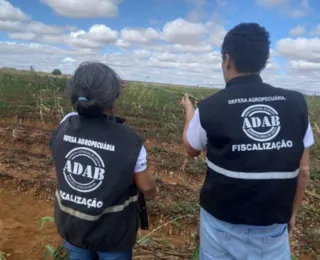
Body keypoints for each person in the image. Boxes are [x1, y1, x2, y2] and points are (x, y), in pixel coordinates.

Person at [180, 23, 314, 260]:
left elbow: (191, 148)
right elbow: (303, 171)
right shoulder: (296, 104)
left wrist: (189, 111)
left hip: (220, 224)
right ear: (264, 60)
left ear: (227, 58)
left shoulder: (211, 106)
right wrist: (292, 214)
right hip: (273, 228)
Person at [49, 62, 157, 260]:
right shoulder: (130, 141)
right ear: (113, 97)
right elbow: (147, 189)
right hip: (112, 235)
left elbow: (78, 110)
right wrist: (154, 188)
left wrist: (108, 91)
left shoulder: (65, 125)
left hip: (72, 227)